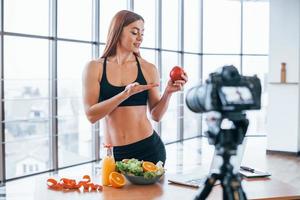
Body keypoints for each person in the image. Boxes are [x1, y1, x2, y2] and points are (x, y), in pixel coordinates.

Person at [82, 10, 188, 165]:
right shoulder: (94, 68)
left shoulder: (148, 69)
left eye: (142, 33)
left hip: (149, 149)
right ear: (118, 32)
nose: (140, 38)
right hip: (114, 155)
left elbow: (156, 115)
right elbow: (91, 115)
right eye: (134, 32)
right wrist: (125, 94)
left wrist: (168, 93)